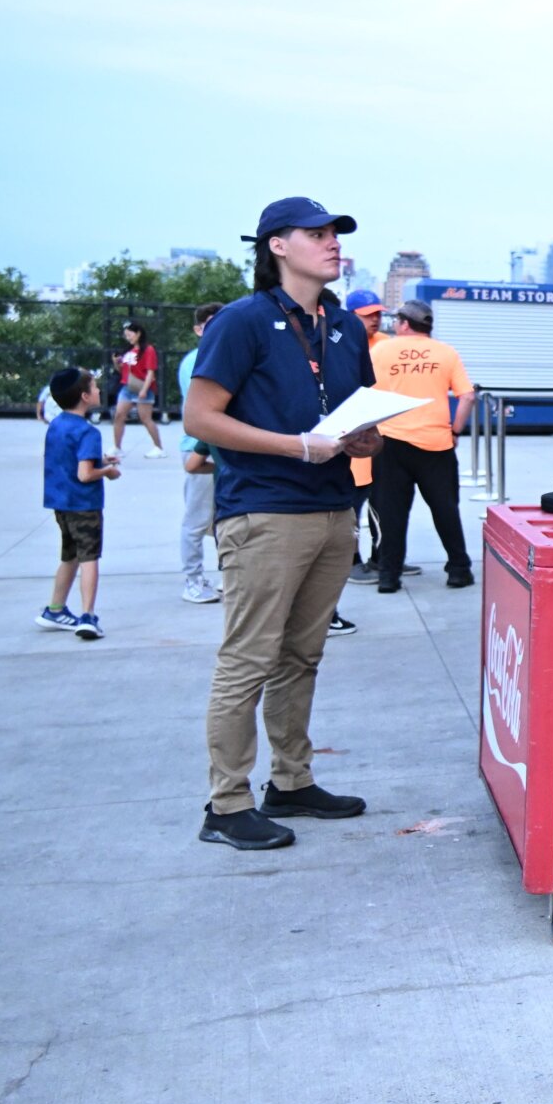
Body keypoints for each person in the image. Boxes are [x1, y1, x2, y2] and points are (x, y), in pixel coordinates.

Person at [180, 197, 380, 852]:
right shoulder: (242, 321)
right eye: (316, 234)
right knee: (248, 659)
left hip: (332, 507)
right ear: (277, 246)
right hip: (264, 509)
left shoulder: (347, 327)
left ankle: (291, 780)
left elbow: (359, 414)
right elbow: (201, 418)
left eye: (335, 235)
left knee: (302, 655)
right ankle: (226, 801)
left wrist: (365, 439)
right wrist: (296, 445)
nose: (332, 244)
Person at [367, 298, 476, 593]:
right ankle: (459, 569)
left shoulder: (382, 350)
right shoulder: (446, 353)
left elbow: (366, 394)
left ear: (403, 323)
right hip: (436, 445)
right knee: (445, 509)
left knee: (392, 513)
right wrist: (455, 431)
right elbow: (466, 396)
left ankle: (389, 576)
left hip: (390, 443)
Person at [39, 367, 119, 640]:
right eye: (95, 387)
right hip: (84, 505)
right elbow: (84, 474)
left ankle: (55, 609)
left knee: (69, 557)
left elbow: (68, 461)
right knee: (89, 559)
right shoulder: (88, 432)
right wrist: (107, 471)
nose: (99, 390)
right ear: (85, 396)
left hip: (61, 504)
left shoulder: (57, 425)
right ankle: (88, 615)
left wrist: (101, 460)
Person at [178, 303, 226, 603]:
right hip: (201, 448)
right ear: (198, 330)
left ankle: (227, 575)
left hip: (218, 447)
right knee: (196, 522)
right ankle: (193, 581)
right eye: (210, 324)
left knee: (225, 520)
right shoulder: (196, 361)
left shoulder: (220, 355)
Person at [341, 290, 388, 586]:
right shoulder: (341, 343)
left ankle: (382, 558)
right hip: (351, 440)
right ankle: (351, 561)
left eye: (378, 314)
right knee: (351, 510)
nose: (375, 319)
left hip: (381, 440)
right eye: (368, 314)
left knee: (382, 507)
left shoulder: (387, 345)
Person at [111, 319, 167, 459]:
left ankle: (159, 448)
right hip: (127, 387)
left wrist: (144, 390)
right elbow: (121, 370)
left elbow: (150, 372)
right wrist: (115, 363)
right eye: (126, 335)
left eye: (130, 334)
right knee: (119, 415)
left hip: (143, 387)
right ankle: (117, 447)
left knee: (145, 419)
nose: (128, 337)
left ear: (138, 334)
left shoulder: (148, 350)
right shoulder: (128, 350)